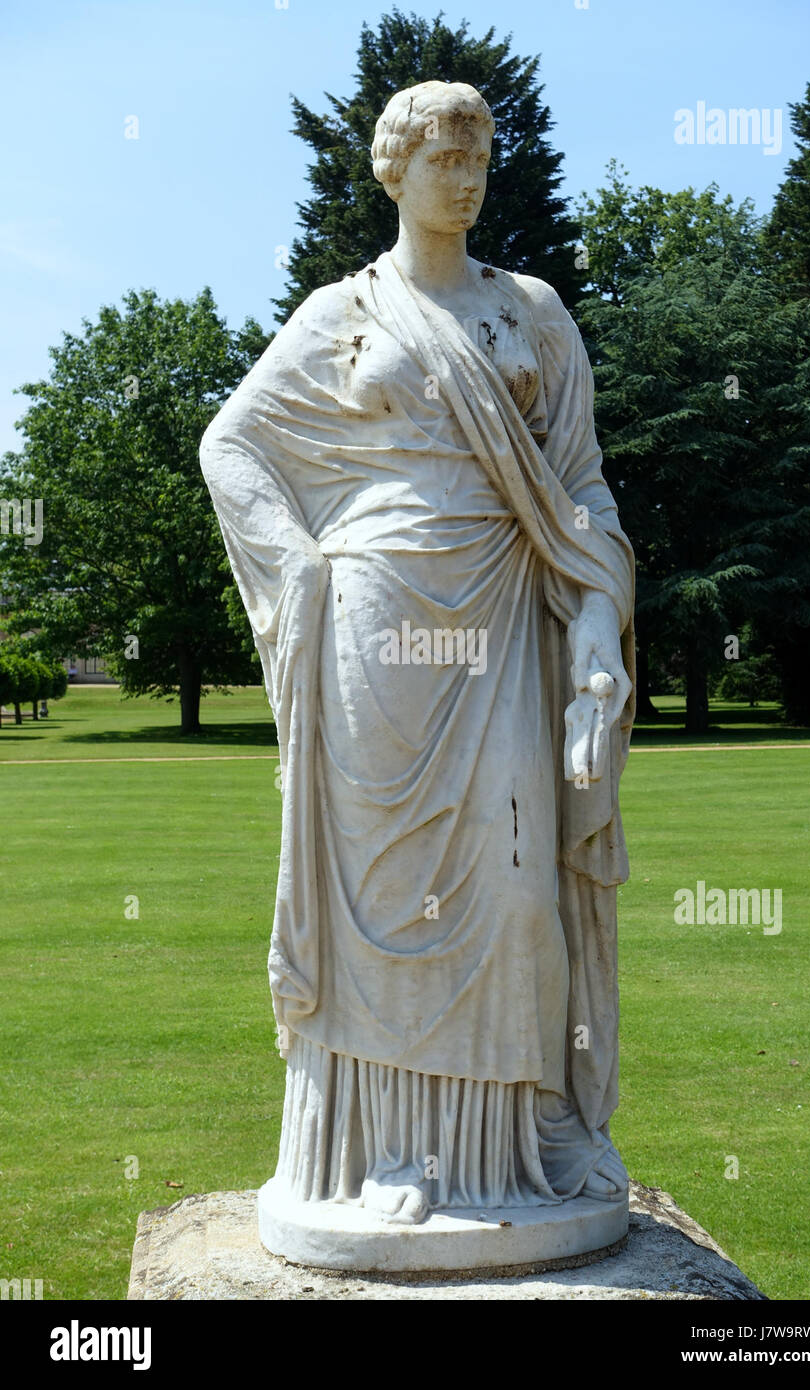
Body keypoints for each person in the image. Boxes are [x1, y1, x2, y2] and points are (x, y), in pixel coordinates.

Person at [201, 80, 635, 1226]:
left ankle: (531, 1129)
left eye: (480, 154)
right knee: (387, 897)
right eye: (442, 155)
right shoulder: (338, 313)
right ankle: (393, 1151)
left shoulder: (532, 311)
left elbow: (580, 485)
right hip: (374, 625)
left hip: (501, 620)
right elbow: (231, 443)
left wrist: (596, 630)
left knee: (515, 887)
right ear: (393, 169)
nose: (466, 174)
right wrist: (297, 570)